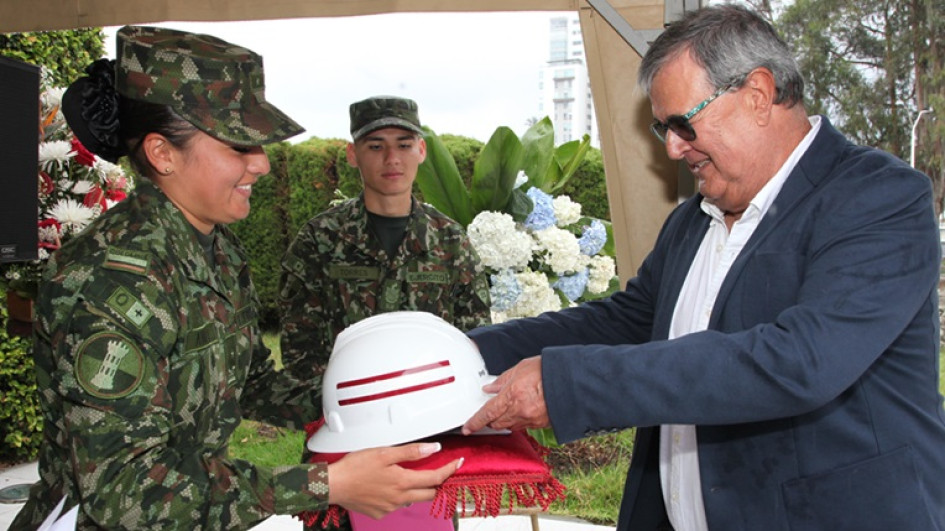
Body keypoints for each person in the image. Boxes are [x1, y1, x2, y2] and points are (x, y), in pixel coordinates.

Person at [462, 5, 945, 531]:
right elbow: (628, 322)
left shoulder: (877, 197)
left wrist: (567, 383)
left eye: (682, 124)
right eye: (662, 128)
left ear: (758, 95)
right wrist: (466, 351)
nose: (671, 147)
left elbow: (799, 360)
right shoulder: (694, 219)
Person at [11, 26, 460, 531]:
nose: (263, 163)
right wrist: (326, 485)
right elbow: (124, 491)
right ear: (162, 153)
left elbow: (249, 383)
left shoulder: (216, 247)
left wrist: (386, 401)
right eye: (239, 146)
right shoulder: (108, 281)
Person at [277, 95, 491, 386]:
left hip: (434, 406)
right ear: (353, 155)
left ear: (421, 150)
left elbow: (473, 338)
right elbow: (299, 347)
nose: (392, 159)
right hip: (348, 408)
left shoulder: (450, 240)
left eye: (404, 145)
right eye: (376, 146)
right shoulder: (320, 239)